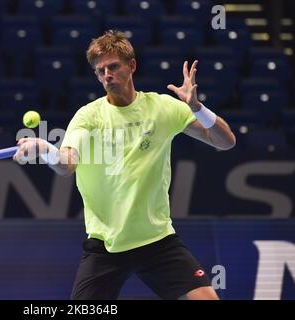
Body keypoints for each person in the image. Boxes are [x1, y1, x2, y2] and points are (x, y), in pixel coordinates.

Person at [13, 30, 236, 300]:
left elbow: (226, 142)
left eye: (113, 66)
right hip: (105, 247)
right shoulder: (89, 116)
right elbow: (66, 165)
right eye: (100, 70)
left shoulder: (163, 108)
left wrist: (197, 107)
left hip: (157, 240)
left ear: (132, 66)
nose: (107, 74)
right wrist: (45, 149)